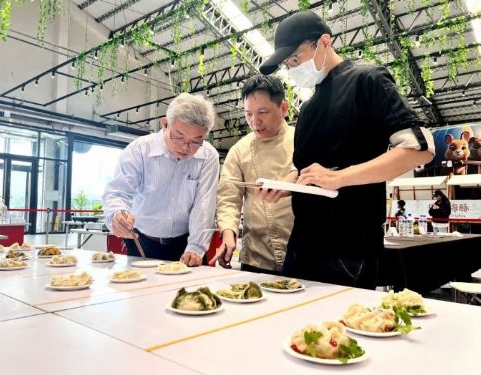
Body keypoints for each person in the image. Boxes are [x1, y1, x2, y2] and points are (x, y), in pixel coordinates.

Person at [258, 11, 435, 289]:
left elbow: (419, 148)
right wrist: (286, 185)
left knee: (342, 330)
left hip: (348, 246)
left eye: (295, 58)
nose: (292, 68)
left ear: (324, 42)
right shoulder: (307, 108)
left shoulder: (367, 80)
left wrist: (340, 177)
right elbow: (306, 171)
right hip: (302, 242)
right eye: (287, 64)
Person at [102, 93, 220, 266]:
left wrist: (196, 248)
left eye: (196, 141)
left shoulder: (208, 156)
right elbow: (118, 191)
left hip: (185, 243)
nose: (186, 147)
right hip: (142, 241)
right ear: (165, 124)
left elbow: (204, 205)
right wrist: (117, 213)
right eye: (179, 137)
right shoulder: (140, 150)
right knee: (142, 289)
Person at [211, 75, 295, 274]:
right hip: (256, 257)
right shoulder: (240, 150)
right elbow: (229, 199)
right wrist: (228, 233)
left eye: (263, 112)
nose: (254, 121)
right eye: (248, 114)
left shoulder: (302, 140)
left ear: (284, 108)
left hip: (302, 254)